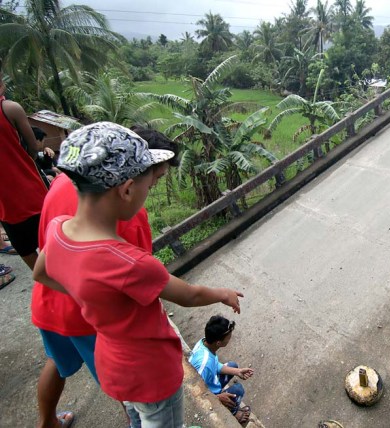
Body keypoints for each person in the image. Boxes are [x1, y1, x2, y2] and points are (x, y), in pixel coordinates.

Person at [32, 122, 245, 428]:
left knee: (135, 412)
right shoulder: (129, 262)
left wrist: (88, 292)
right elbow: (189, 295)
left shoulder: (59, 229)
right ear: (128, 189)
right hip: (151, 372)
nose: (149, 192)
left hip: (112, 364)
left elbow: (42, 272)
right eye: (150, 185)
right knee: (162, 421)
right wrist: (222, 293)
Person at [31, 127, 179, 428]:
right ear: (132, 178)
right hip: (88, 316)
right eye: (155, 178)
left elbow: (45, 253)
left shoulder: (70, 180)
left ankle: (46, 423)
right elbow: (139, 285)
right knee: (133, 391)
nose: (153, 186)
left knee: (56, 364)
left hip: (48, 298)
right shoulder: (128, 218)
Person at [0, 71, 48, 270]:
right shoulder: (9, 108)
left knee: (27, 252)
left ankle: (49, 290)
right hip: (31, 190)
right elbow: (33, 148)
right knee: (53, 244)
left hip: (5, 204)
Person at [189, 315, 254, 425]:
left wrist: (237, 372)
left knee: (233, 366)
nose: (230, 337)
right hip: (208, 392)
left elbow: (216, 365)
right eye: (228, 337)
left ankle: (223, 395)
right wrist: (217, 398)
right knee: (238, 390)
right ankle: (233, 412)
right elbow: (196, 394)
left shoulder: (204, 344)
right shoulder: (204, 365)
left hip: (209, 382)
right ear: (218, 342)